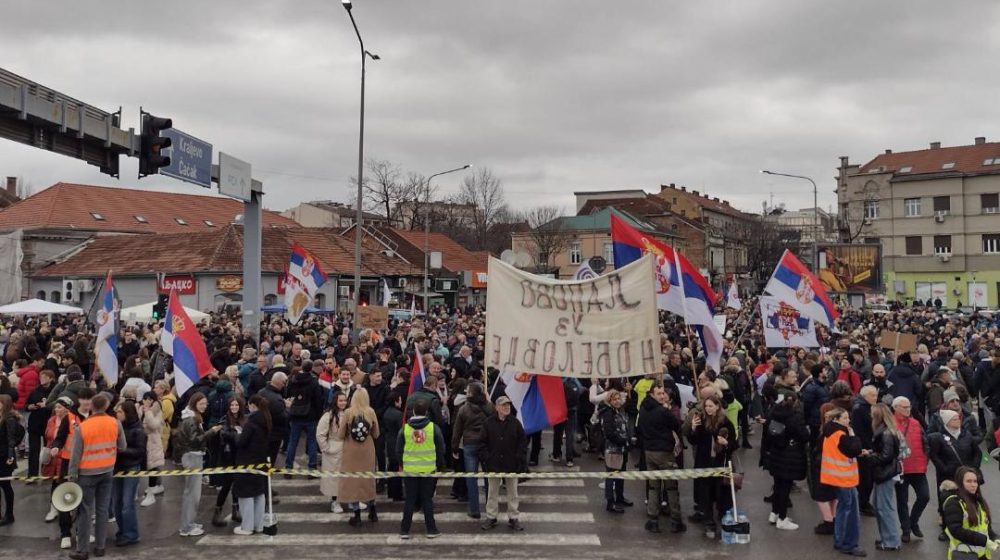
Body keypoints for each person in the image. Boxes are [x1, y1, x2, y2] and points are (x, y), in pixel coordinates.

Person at [68, 393, 126, 560]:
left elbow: (75, 455)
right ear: (106, 406)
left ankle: (83, 550)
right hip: (107, 471)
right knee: (102, 510)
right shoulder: (115, 423)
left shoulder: (83, 427)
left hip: (86, 473)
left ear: (92, 407)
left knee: (85, 512)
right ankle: (100, 547)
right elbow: (122, 446)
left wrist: (72, 475)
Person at [687, 393, 737, 539]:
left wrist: (726, 443)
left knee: (721, 494)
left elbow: (735, 443)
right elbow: (693, 441)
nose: (708, 409)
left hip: (720, 463)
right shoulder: (701, 421)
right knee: (705, 494)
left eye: (710, 406)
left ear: (717, 407)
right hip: (704, 462)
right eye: (706, 406)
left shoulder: (726, 423)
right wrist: (693, 429)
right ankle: (709, 522)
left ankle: (724, 520)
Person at [637, 383, 685, 533]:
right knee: (671, 487)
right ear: (652, 394)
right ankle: (676, 520)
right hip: (664, 452)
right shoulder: (662, 411)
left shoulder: (643, 409)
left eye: (663, 393)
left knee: (653, 486)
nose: (663, 396)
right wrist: (667, 410)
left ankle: (653, 519)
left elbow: (639, 429)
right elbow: (676, 425)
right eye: (659, 393)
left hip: (649, 452)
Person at [819, 407, 866, 557]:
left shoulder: (828, 432)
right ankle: (849, 544)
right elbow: (854, 449)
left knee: (843, 510)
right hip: (844, 477)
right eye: (845, 418)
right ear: (836, 419)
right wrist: (853, 435)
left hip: (836, 476)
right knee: (850, 512)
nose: (848, 421)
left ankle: (840, 541)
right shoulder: (841, 434)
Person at [396, 398, 445, 539]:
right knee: (427, 500)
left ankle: (404, 530)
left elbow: (398, 450)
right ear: (426, 412)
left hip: (410, 469)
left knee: (410, 500)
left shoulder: (405, 429)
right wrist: (439, 464)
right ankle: (431, 530)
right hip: (428, 469)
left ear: (413, 412)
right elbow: (441, 448)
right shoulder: (433, 428)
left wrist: (402, 464)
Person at [174, 392, 221, 537]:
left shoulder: (191, 418)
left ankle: (190, 522)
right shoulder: (191, 420)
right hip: (193, 457)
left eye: (205, 404)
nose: (204, 406)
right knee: (192, 494)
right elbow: (195, 440)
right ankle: (187, 527)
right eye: (201, 404)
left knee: (192, 493)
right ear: (194, 404)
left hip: (192, 456)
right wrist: (211, 432)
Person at [478, 395, 526, 531]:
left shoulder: (515, 423)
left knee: (513, 493)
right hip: (493, 464)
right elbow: (481, 443)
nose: (507, 407)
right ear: (497, 407)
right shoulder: (488, 423)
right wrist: (487, 458)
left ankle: (513, 517)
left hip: (511, 464)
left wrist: (519, 458)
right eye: (504, 405)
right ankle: (491, 517)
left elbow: (523, 442)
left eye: (508, 405)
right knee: (492, 492)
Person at [762, 392, 808, 530]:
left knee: (777, 486)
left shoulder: (773, 414)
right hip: (790, 456)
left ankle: (774, 513)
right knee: (785, 488)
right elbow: (805, 436)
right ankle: (782, 518)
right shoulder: (795, 417)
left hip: (776, 454)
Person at [450, 381, 494, 520]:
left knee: (471, 478)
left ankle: (474, 509)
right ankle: (490, 508)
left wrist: (455, 447)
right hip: (486, 445)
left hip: (469, 445)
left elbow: (457, 430)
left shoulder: (464, 409)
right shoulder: (489, 407)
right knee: (488, 477)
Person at [337, 389, 380, 526]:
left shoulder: (349, 412)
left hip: (351, 449)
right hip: (367, 449)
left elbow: (340, 434)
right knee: (368, 480)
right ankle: (373, 510)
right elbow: (376, 433)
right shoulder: (371, 411)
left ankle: (357, 515)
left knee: (353, 481)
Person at [232, 394, 272, 536]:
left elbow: (241, 442)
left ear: (253, 405)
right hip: (260, 462)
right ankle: (258, 525)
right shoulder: (266, 420)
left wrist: (236, 435)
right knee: (258, 494)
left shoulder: (252, 422)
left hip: (246, 462)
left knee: (246, 495)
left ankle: (247, 527)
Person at [892, 396, 929, 543]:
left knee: (924, 496)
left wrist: (926, 459)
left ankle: (913, 521)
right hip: (901, 469)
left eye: (909, 407)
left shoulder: (915, 423)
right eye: (904, 407)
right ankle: (906, 529)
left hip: (918, 467)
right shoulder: (891, 424)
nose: (908, 410)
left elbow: (925, 442)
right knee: (902, 501)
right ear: (895, 408)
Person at [943, 466, 999, 559]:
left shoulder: (979, 503)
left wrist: (995, 538)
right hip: (964, 556)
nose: (973, 485)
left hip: (983, 556)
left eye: (975, 481)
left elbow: (986, 528)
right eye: (969, 481)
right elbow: (956, 531)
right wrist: (985, 541)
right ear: (960, 483)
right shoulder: (953, 503)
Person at [112, 400, 146, 547]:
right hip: (117, 467)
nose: (117, 414)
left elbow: (140, 451)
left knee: (127, 503)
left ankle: (131, 534)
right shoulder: (116, 426)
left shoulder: (138, 429)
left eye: (120, 412)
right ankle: (122, 530)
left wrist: (121, 450)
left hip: (131, 467)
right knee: (117, 503)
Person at [868, 403, 902, 551]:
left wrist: (870, 456)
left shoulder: (886, 433)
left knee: (884, 507)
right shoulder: (887, 431)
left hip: (885, 473)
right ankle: (887, 538)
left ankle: (891, 541)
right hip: (886, 473)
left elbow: (886, 456)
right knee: (879, 505)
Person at [284, 360, 325, 473]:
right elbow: (318, 400)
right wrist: (318, 415)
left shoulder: (293, 379)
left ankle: (288, 467)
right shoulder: (313, 381)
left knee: (293, 442)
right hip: (310, 415)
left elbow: (287, 395)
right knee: (311, 441)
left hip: (296, 414)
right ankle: (312, 467)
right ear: (311, 368)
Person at [212, 396, 246, 526]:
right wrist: (237, 435)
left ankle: (235, 511)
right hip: (228, 457)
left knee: (237, 484)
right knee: (226, 485)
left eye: (236, 405)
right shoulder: (225, 419)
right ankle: (217, 513)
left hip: (240, 456)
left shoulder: (243, 419)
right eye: (232, 405)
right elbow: (224, 434)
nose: (234, 407)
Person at [602, 389, 633, 514]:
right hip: (613, 450)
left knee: (621, 474)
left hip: (622, 449)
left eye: (618, 398)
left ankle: (620, 497)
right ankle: (610, 502)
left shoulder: (619, 411)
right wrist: (622, 441)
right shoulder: (608, 413)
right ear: (609, 401)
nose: (617, 401)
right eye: (614, 399)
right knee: (612, 476)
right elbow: (609, 433)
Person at [317, 392, 348, 512]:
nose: (343, 403)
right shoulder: (328, 415)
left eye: (345, 400)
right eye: (340, 400)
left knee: (348, 476)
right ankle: (335, 501)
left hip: (347, 449)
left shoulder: (348, 414)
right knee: (334, 479)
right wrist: (326, 448)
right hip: (333, 450)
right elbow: (320, 434)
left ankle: (350, 499)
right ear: (335, 401)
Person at [138, 391, 165, 508]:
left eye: (150, 399)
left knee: (153, 466)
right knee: (148, 465)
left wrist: (148, 411)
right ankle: (155, 487)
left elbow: (154, 425)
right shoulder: (140, 409)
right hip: (142, 441)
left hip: (153, 442)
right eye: (145, 398)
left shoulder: (157, 412)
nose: (147, 401)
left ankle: (152, 491)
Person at [0, 394, 21, 527]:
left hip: (4, 457)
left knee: (5, 485)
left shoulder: (9, 419)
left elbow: (11, 439)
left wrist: (10, 455)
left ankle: (9, 514)